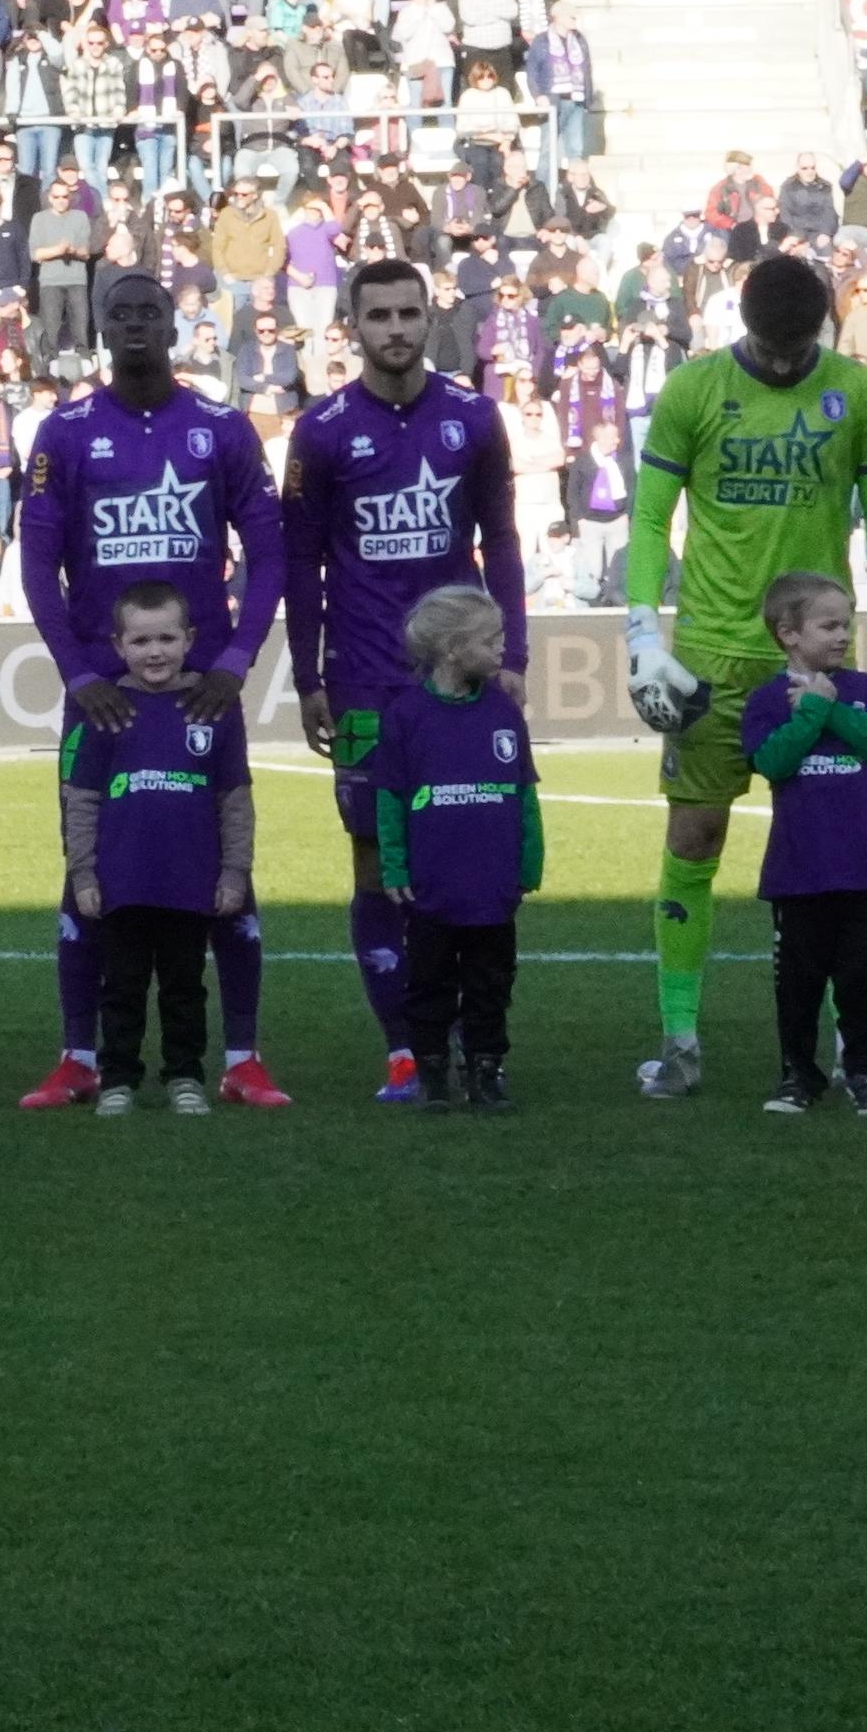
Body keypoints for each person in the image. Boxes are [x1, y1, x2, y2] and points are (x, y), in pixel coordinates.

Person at [620, 256, 867, 1098]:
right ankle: (680, 1039)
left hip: (818, 656)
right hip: (714, 655)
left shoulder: (858, 393)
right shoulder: (693, 390)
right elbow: (650, 518)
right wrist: (644, 630)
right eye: (772, 346)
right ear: (741, 326)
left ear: (823, 329)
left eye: (802, 347)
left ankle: (851, 1054)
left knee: (841, 856)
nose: (788, 363)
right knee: (695, 840)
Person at [12, 266, 290, 1109]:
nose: (135, 323)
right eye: (119, 312)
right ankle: (81, 1058)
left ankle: (239, 1058)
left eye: (149, 311)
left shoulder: (222, 428)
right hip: (101, 694)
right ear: (101, 328)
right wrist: (81, 672)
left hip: (202, 692)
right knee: (89, 867)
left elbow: (271, 553)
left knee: (226, 867)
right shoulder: (63, 433)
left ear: (175, 325)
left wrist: (236, 660)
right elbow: (35, 565)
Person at [280, 255, 530, 1103]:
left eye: (407, 314)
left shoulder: (475, 418)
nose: (394, 329)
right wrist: (308, 673)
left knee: (465, 848)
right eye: (378, 315)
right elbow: (301, 560)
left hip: (457, 681)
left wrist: (516, 653)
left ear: (431, 320)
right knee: (373, 863)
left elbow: (501, 539)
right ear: (353, 327)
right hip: (362, 683)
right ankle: (404, 1047)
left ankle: (469, 1034)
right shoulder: (319, 432)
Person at [59, 582, 257, 1118]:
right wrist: (84, 875)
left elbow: (234, 799)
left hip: (189, 880)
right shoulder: (107, 709)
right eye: (141, 641)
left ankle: (186, 1076)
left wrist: (234, 873)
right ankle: (118, 1078)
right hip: (122, 882)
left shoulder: (211, 709)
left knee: (184, 989)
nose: (155, 652)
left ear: (190, 639)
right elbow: (82, 800)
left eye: (167, 638)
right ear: (119, 645)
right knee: (120, 987)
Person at [738, 571, 867, 1117]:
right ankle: (797, 1075)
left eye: (847, 624)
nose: (842, 635)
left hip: (866, 864)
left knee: (864, 978)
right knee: (799, 982)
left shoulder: (862, 690)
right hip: (801, 869)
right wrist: (811, 711)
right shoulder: (768, 700)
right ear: (788, 633)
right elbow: (772, 762)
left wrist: (830, 706)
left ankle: (865, 1071)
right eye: (829, 625)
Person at [372, 582, 543, 1112]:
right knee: (429, 987)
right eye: (490, 640)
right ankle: (433, 1075)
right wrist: (395, 862)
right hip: (433, 884)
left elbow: (524, 793)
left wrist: (530, 860)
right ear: (451, 649)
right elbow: (391, 800)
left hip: (492, 883)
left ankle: (487, 1072)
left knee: (491, 986)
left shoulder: (503, 712)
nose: (501, 649)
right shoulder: (405, 715)